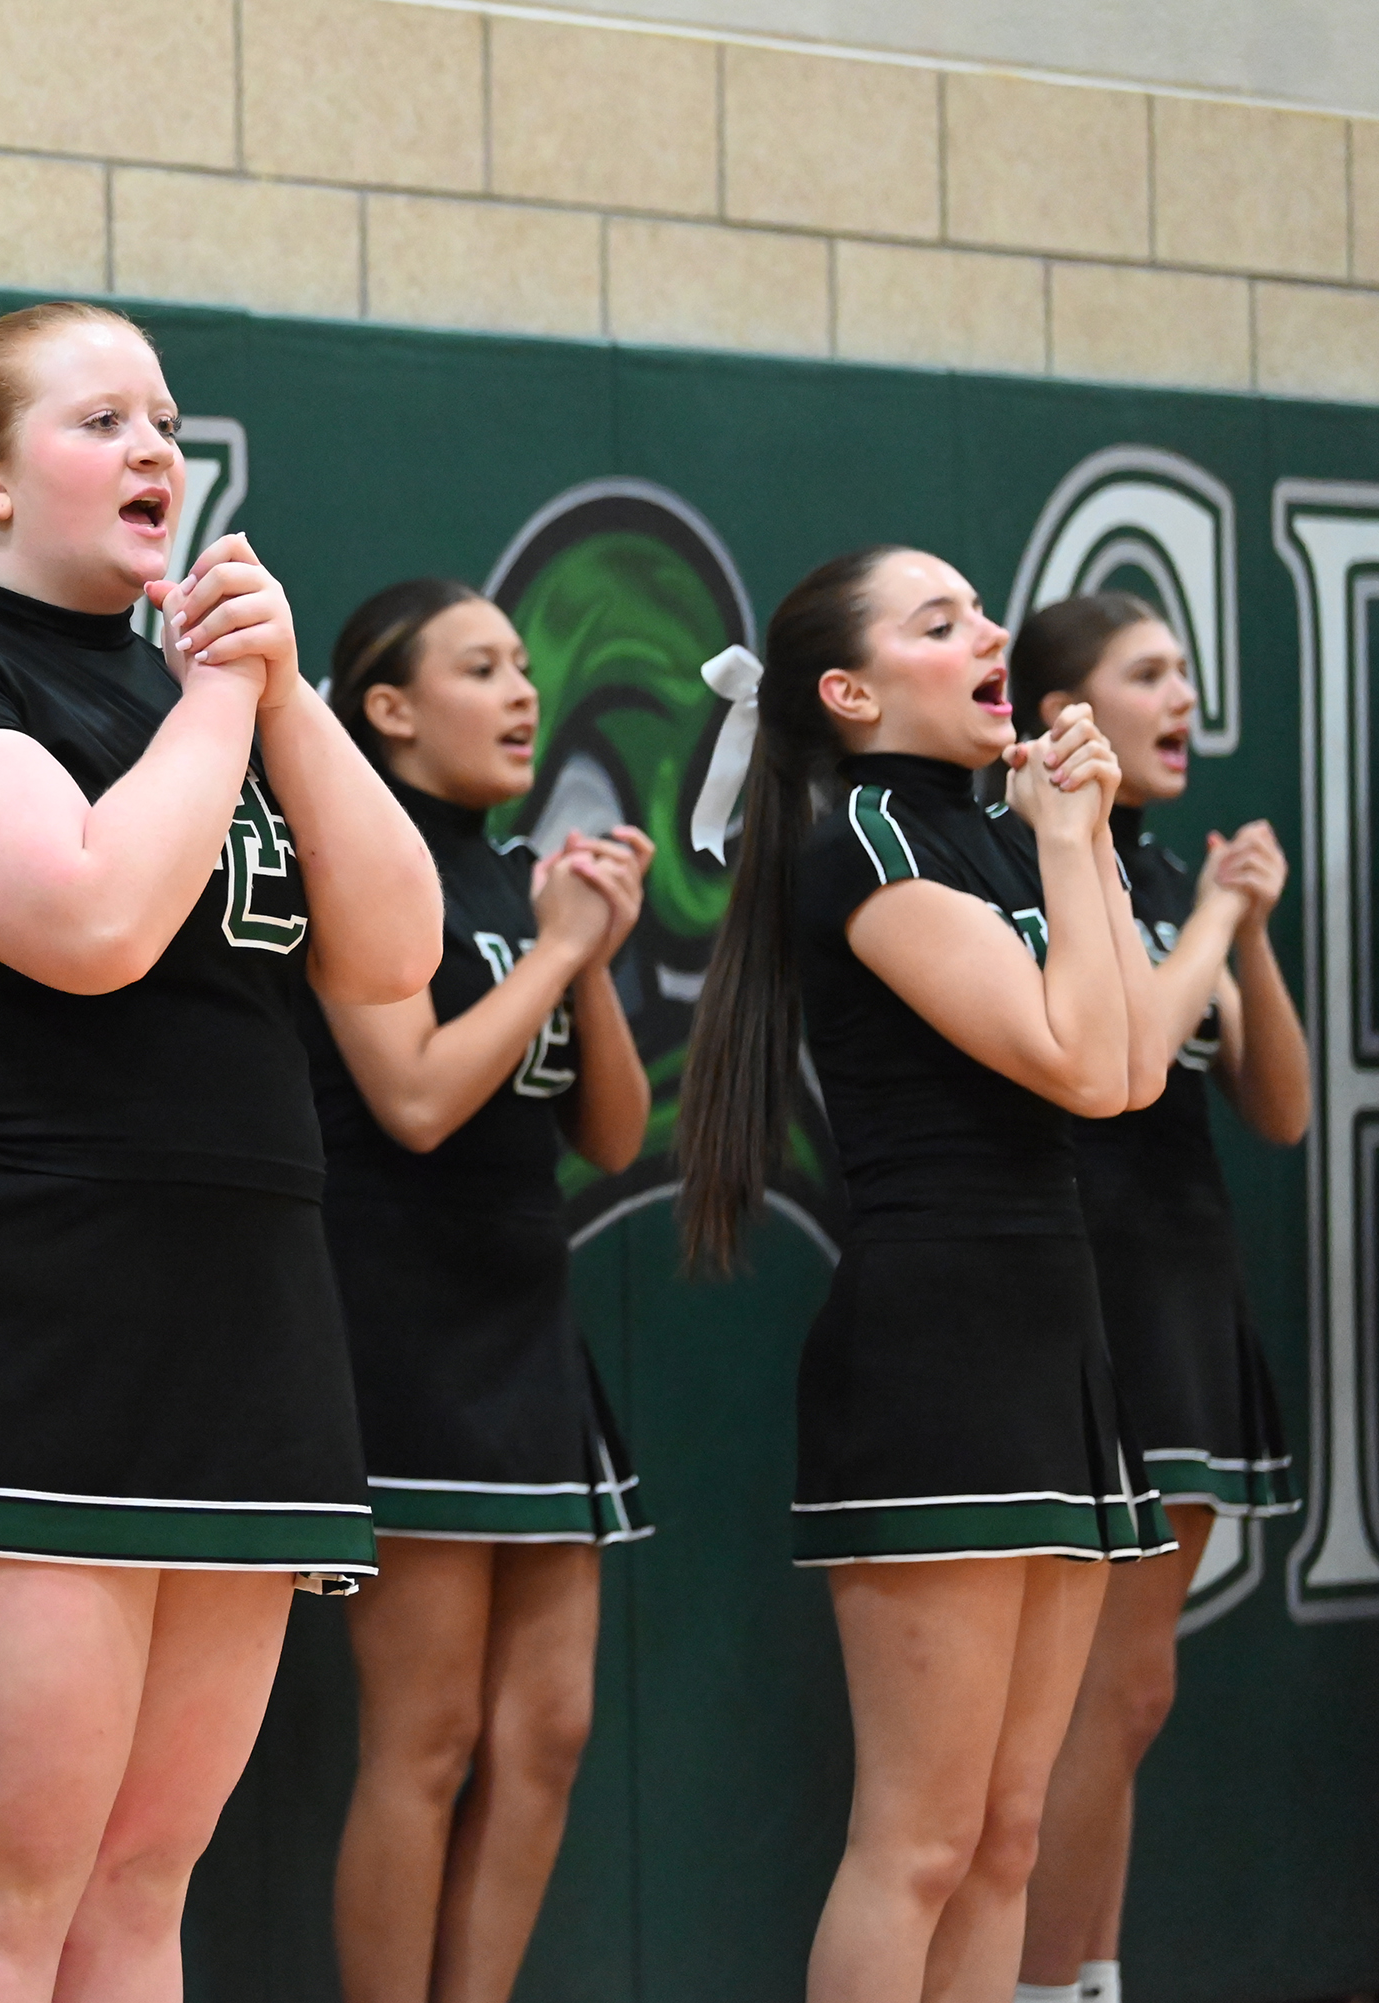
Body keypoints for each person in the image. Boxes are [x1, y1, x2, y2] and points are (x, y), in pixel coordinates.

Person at [0, 301, 443, 2002]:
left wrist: (280, 699)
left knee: (138, 1885)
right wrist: (218, 699)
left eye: (167, 422)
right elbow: (92, 920)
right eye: (103, 421)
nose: (155, 451)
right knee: (8, 1874)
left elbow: (395, 952)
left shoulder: (207, 687)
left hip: (234, 1302)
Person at [677, 546, 1173, 2003]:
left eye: (982, 610)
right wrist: (1076, 846)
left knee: (1010, 1836)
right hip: (936, 1353)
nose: (992, 631)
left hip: (1056, 1342)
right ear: (849, 691)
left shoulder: (1020, 835)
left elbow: (1137, 1074)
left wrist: (1077, 837)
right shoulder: (867, 850)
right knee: (920, 1839)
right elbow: (1083, 1067)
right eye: (941, 620)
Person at [309, 580, 654, 2003]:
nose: (524, 695)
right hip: (404, 1332)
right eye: (481, 669)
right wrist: (564, 953)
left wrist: (593, 959)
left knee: (549, 1731)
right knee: (428, 1737)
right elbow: (418, 1097)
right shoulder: (357, 868)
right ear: (388, 710)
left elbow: (615, 1137)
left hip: (532, 1330)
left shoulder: (526, 878)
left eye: (524, 667)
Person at [1008, 595, 1308, 2003]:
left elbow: (1284, 1108)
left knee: (1132, 1702)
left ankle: (1087, 1978)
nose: (1182, 696)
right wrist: (1222, 920)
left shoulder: (1176, 870)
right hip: (1094, 1293)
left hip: (1190, 1292)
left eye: (1187, 668)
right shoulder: (1046, 860)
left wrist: (1243, 932)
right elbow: (1125, 1039)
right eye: (1147, 673)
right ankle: (1037, 1982)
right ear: (1066, 712)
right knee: (1088, 1701)